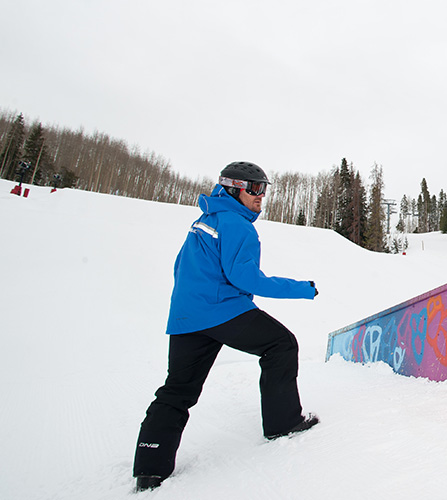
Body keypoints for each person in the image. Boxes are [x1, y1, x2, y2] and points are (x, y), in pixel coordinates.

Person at [132, 161, 320, 492]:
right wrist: (301, 288)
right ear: (233, 188)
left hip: (186, 317)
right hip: (221, 310)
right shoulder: (237, 224)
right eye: (254, 189)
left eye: (264, 189)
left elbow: (180, 267)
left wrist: (190, 307)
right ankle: (283, 423)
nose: (261, 196)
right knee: (281, 344)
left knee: (178, 388)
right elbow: (245, 277)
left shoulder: (204, 221)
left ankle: (150, 466)